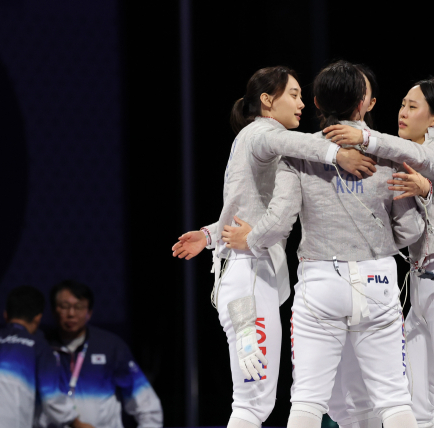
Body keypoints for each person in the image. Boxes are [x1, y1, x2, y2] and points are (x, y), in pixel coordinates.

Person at [222, 60, 425, 428]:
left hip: (320, 284)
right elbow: (410, 231)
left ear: (316, 102)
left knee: (308, 401)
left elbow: (279, 220)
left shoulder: (299, 153)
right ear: (366, 103)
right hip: (378, 279)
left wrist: (249, 238)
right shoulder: (389, 152)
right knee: (394, 399)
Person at [171, 66, 376, 428]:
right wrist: (339, 154)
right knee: (253, 403)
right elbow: (296, 144)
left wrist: (209, 234)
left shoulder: (252, 139)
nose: (301, 104)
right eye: (293, 95)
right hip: (248, 281)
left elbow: (240, 208)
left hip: (249, 274)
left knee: (254, 401)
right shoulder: (264, 132)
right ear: (267, 100)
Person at [323, 77, 434, 428]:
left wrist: (366, 137)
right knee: (415, 412)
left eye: (412, 106)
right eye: (402, 104)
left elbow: (426, 160)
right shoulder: (411, 162)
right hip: (419, 293)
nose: (402, 112)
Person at [0, 280, 163, 428]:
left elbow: (145, 402)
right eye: (64, 306)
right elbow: (0, 341)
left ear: (89, 312)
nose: (71, 314)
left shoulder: (111, 346)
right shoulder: (37, 344)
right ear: (52, 311)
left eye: (79, 307)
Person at [0, 286, 94, 428]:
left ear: (5, 315)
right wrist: (77, 424)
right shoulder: (39, 347)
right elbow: (52, 399)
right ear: (38, 318)